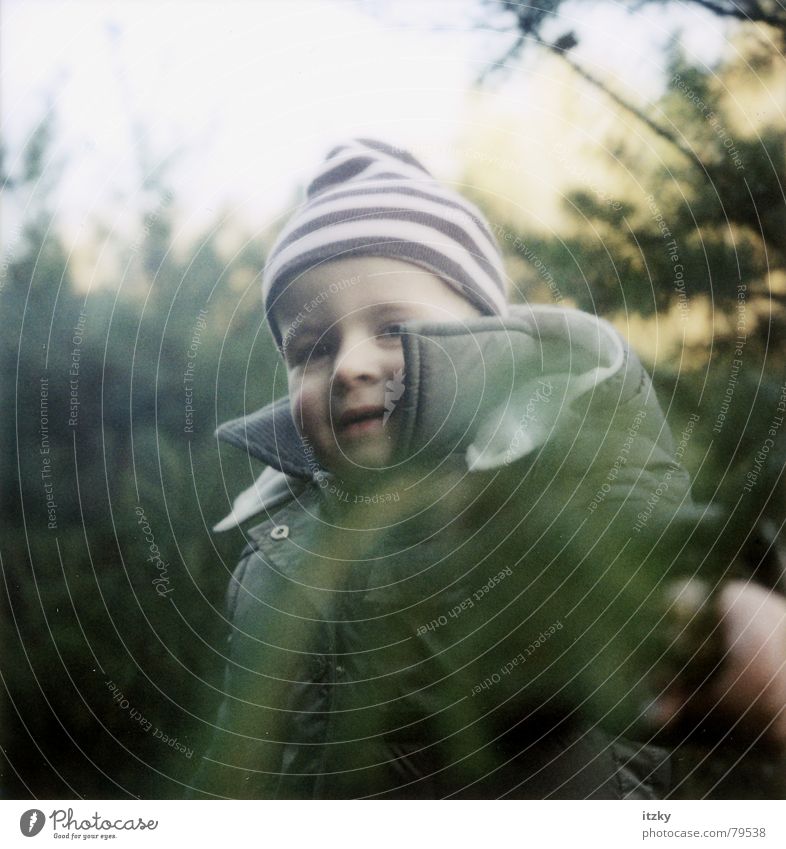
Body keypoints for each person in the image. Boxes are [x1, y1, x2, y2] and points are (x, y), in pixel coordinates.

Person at [191, 138, 785, 799]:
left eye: (392, 328)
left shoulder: (540, 498)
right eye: (313, 348)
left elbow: (634, 565)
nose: (351, 365)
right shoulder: (270, 563)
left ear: (492, 349)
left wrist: (709, 619)